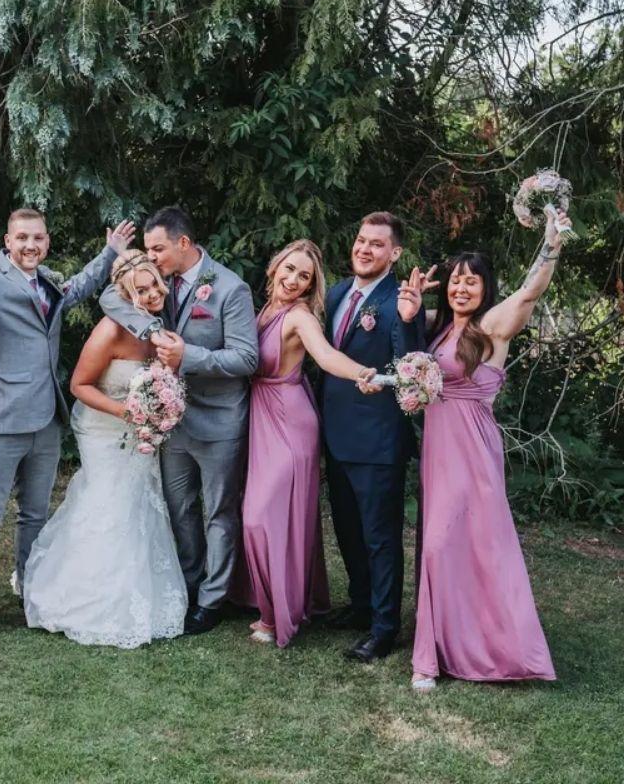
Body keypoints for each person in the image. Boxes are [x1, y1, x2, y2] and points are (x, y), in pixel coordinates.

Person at [397, 210, 570, 690]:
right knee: (442, 546)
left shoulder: (492, 325)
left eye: (471, 281)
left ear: (485, 288)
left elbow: (531, 291)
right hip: (439, 448)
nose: (461, 288)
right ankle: (438, 650)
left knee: (467, 546)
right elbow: (405, 341)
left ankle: (476, 651)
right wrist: (409, 311)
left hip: (472, 452)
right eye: (456, 280)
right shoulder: (440, 328)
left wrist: (552, 241)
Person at [0, 210, 135, 631]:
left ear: (47, 241)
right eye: (22, 238)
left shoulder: (47, 279)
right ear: (7, 240)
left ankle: (30, 588)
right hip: (2, 418)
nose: (30, 245)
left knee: (35, 512)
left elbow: (77, 290)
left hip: (47, 416)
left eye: (37, 238)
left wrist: (109, 253)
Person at [100, 206, 259, 634]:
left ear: (183, 244)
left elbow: (247, 357)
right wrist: (151, 332)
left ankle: (213, 599)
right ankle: (189, 584)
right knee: (180, 507)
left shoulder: (231, 288)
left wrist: (190, 356)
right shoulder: (157, 283)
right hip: (172, 422)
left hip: (220, 422)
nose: (150, 257)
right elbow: (109, 296)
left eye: (157, 248)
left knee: (219, 513)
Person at [23, 251, 189, 648]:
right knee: (107, 502)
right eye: (141, 290)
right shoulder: (110, 331)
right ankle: (87, 598)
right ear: (124, 294)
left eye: (155, 286)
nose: (152, 295)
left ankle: (138, 595)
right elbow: (80, 385)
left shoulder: (158, 328)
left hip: (141, 432)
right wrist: (127, 411)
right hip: (103, 429)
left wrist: (160, 405)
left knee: (138, 502)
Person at [242, 240, 377, 647]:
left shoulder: (299, 317)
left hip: (290, 420)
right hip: (261, 416)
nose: (293, 279)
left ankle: (277, 613)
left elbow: (326, 356)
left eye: (304, 276)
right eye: (289, 269)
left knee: (263, 517)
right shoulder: (261, 309)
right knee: (265, 515)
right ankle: (280, 601)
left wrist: (361, 373)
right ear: (274, 267)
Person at [319, 211, 426, 663]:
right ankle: (362, 605)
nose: (365, 249)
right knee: (346, 526)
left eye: (377, 244)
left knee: (380, 537)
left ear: (394, 253)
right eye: (361, 241)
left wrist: (411, 316)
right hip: (336, 433)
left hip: (378, 438)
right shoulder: (340, 291)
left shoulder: (399, 300)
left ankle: (384, 627)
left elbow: (411, 363)